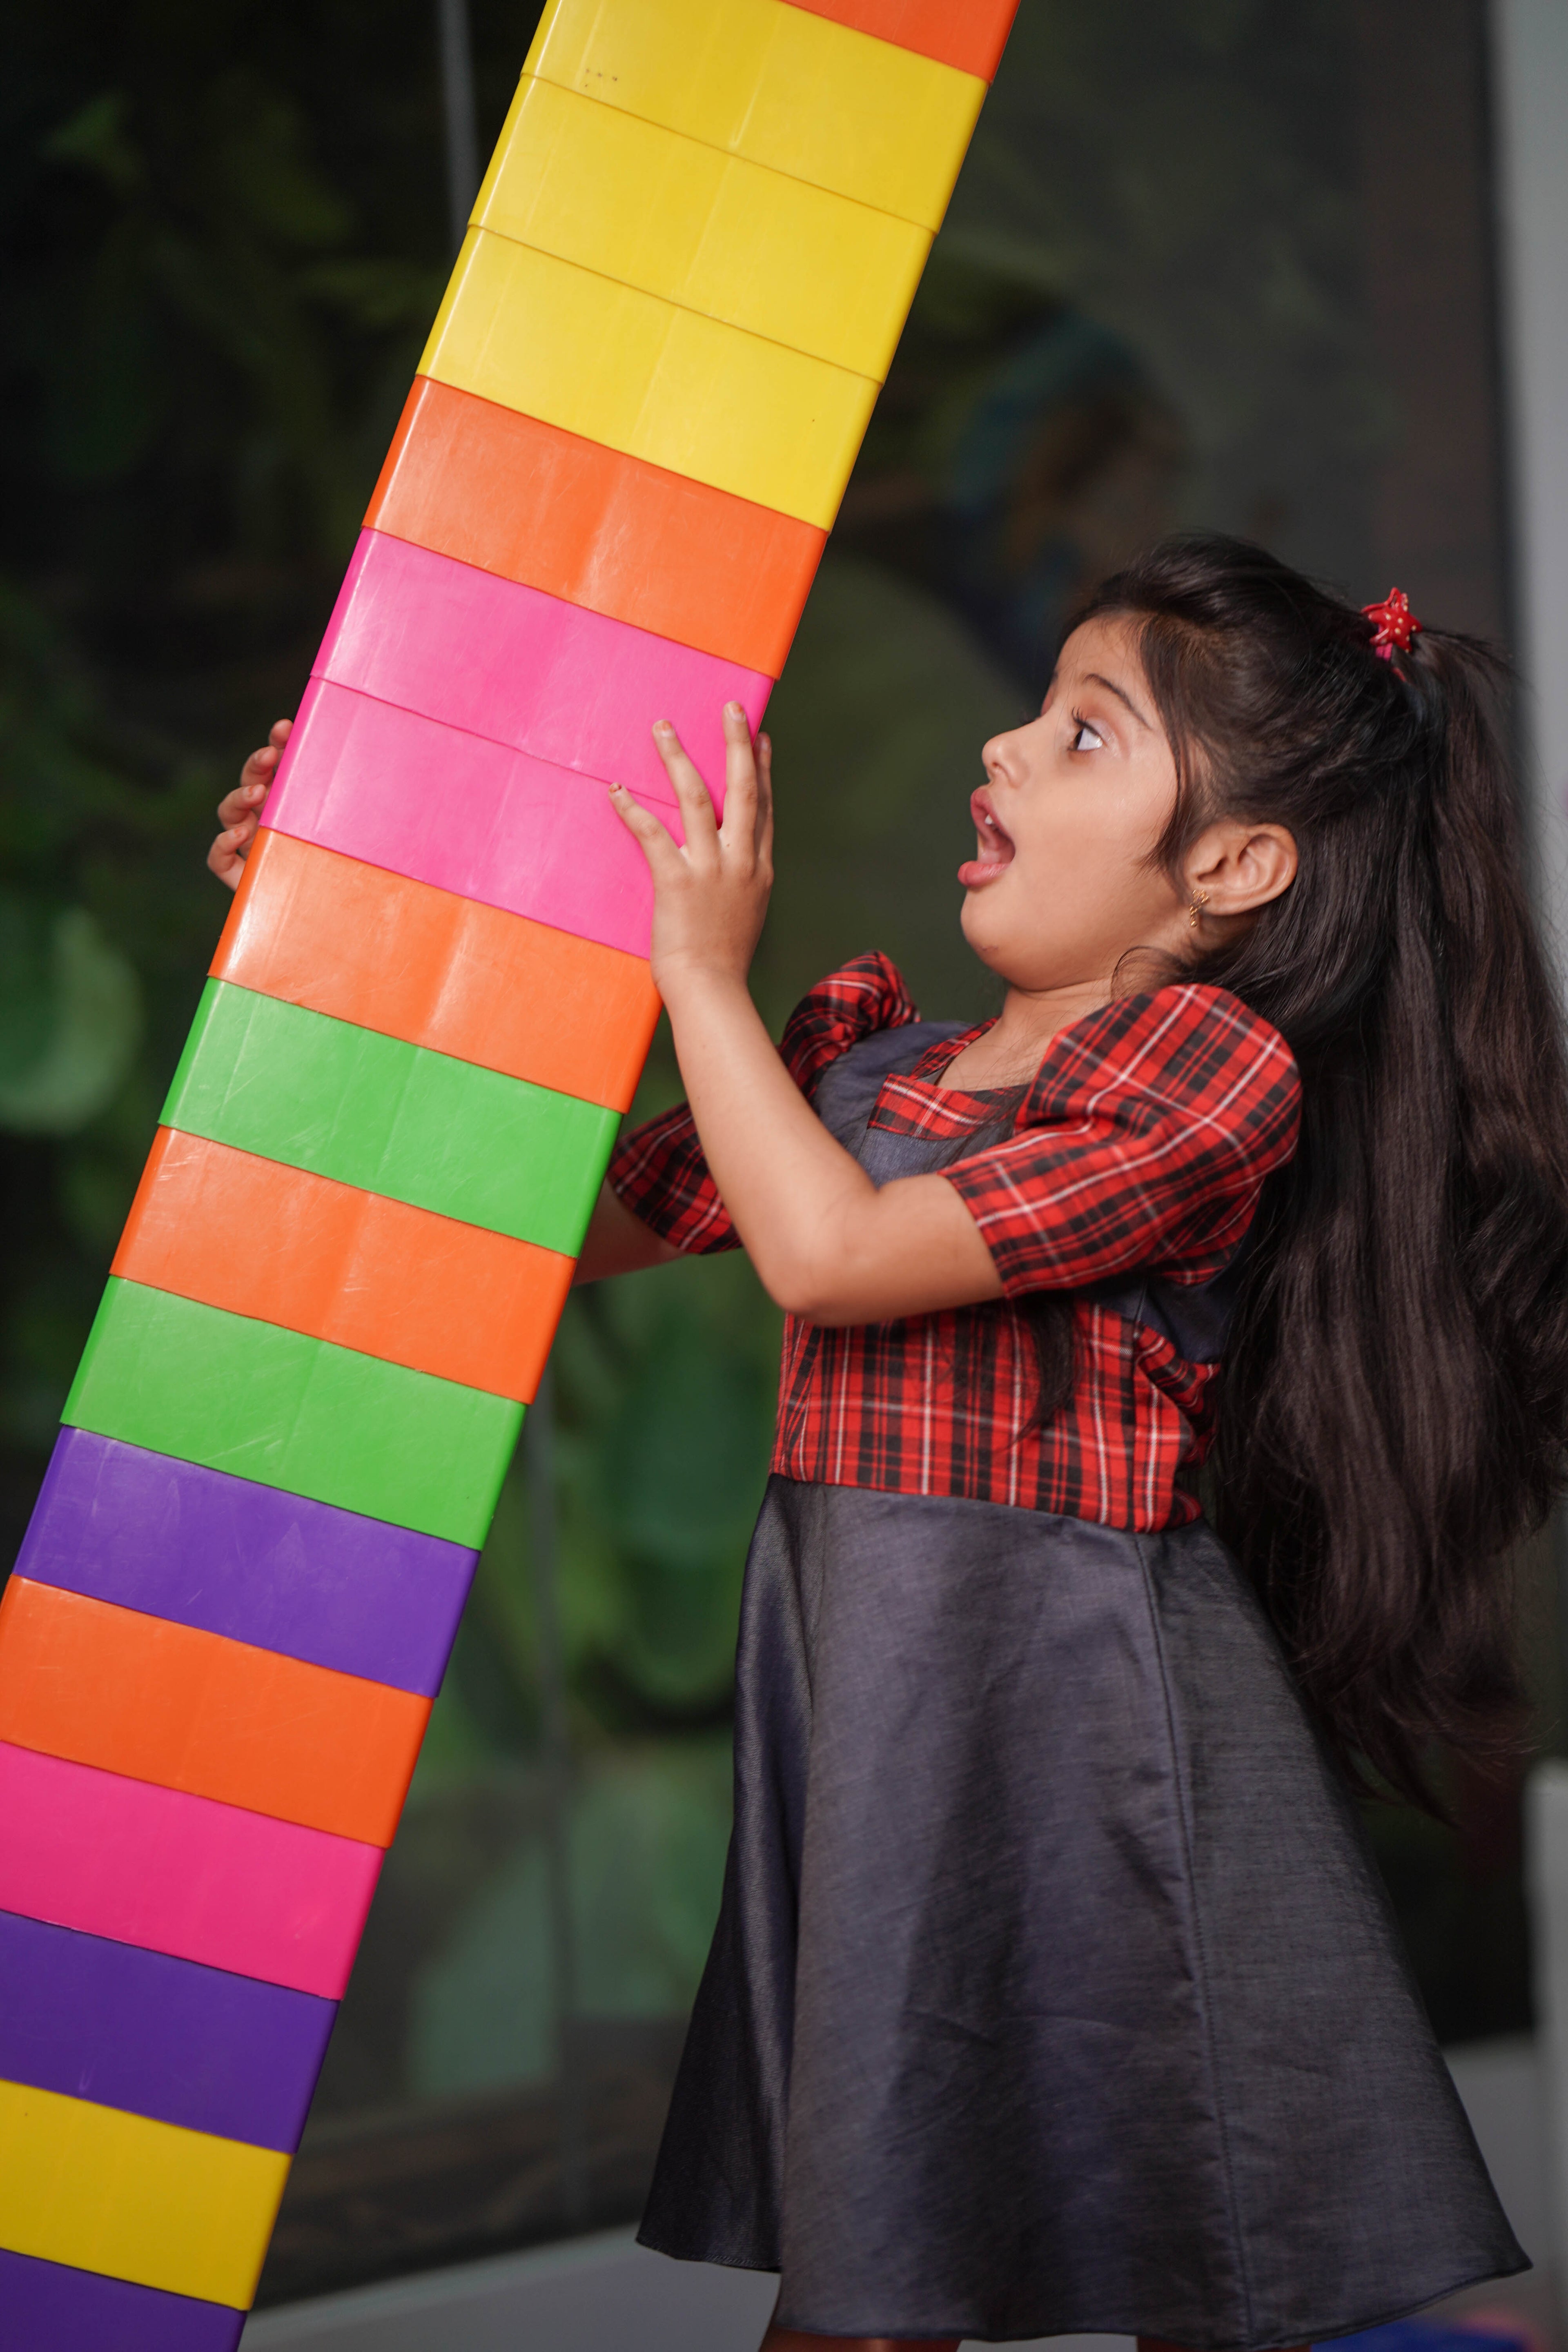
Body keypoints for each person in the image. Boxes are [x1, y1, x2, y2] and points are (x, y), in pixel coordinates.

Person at [214, 536, 1566, 2352]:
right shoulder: (859, 1079)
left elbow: (838, 1262)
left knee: (1196, 2251)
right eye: (1035, 712)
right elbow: (519, 1229)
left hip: (1083, 1728)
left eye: (1086, 736)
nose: (1003, 749)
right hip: (880, 1727)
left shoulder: (1204, 1082)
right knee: (878, 2274)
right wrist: (324, 940)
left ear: (1237, 867)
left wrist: (693, 967)